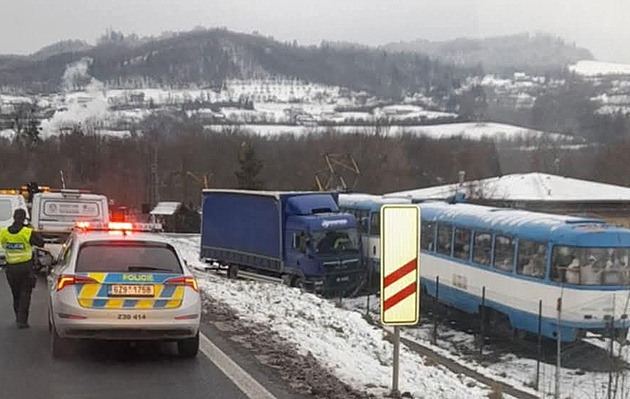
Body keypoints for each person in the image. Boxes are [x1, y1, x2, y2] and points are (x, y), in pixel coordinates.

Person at [1, 209, 45, 328]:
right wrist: (31, 229)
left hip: (11, 269)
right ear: (24, 218)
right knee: (25, 294)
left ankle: (18, 317)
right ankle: (22, 320)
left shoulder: (4, 232)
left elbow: (3, 244)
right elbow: (41, 243)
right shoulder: (27, 232)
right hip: (26, 268)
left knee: (16, 294)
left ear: (14, 217)